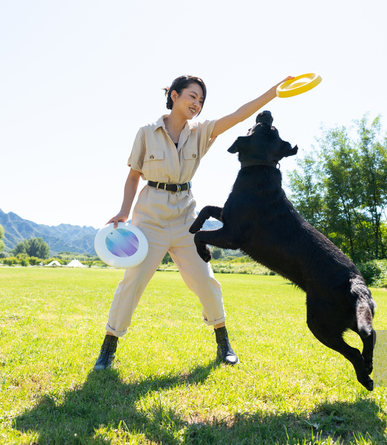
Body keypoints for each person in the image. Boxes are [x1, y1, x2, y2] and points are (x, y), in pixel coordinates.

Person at [94, 75, 291, 371]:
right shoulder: (147, 133)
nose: (197, 104)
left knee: (206, 280)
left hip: (186, 217)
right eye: (192, 96)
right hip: (151, 218)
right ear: (174, 95)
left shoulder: (202, 132)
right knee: (132, 281)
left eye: (201, 100)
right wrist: (124, 211)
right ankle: (109, 347)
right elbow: (134, 174)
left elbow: (240, 115)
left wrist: (274, 92)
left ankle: (223, 342)